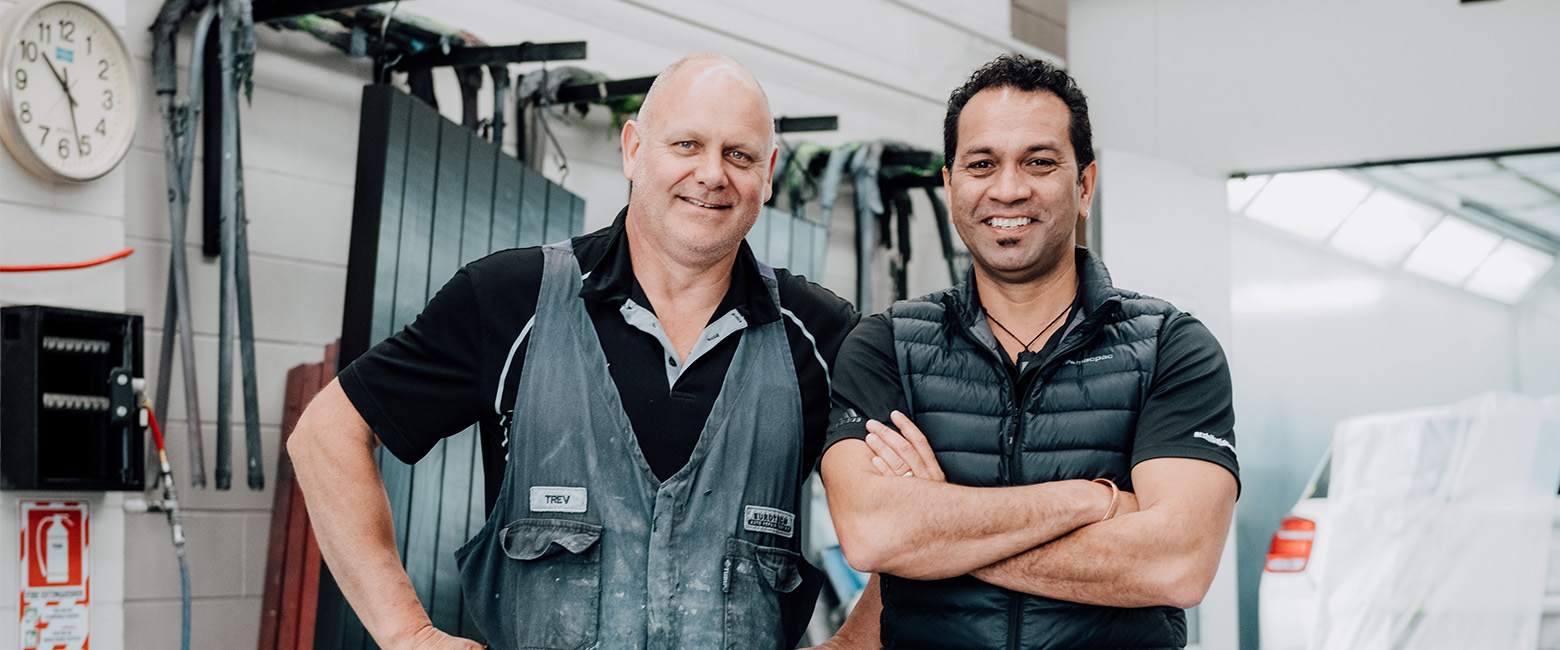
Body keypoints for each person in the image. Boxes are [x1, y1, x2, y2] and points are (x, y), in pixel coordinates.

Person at [288, 53, 858, 650]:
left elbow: (906, 513)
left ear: (767, 174)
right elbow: (327, 436)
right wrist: (407, 634)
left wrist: (855, 641)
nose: (712, 174)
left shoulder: (819, 336)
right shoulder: (511, 303)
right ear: (634, 150)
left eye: (738, 155)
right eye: (686, 145)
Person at [813, 54, 1239, 650]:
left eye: (1038, 162)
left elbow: (1178, 563)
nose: (1008, 189)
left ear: (1084, 185)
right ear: (951, 184)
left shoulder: (1171, 347)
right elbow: (873, 535)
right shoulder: (886, 347)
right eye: (982, 164)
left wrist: (937, 527)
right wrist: (1091, 500)